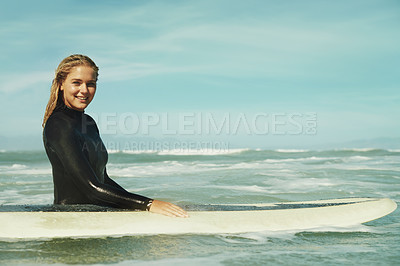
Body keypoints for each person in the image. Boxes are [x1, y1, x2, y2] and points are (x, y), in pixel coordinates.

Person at [42, 54, 188, 218]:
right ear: (61, 84)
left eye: (90, 84)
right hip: (71, 220)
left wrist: (140, 205)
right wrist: (148, 204)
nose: (84, 90)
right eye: (76, 82)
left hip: (96, 216)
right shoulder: (58, 125)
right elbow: (91, 189)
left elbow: (102, 179)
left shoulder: (88, 122)